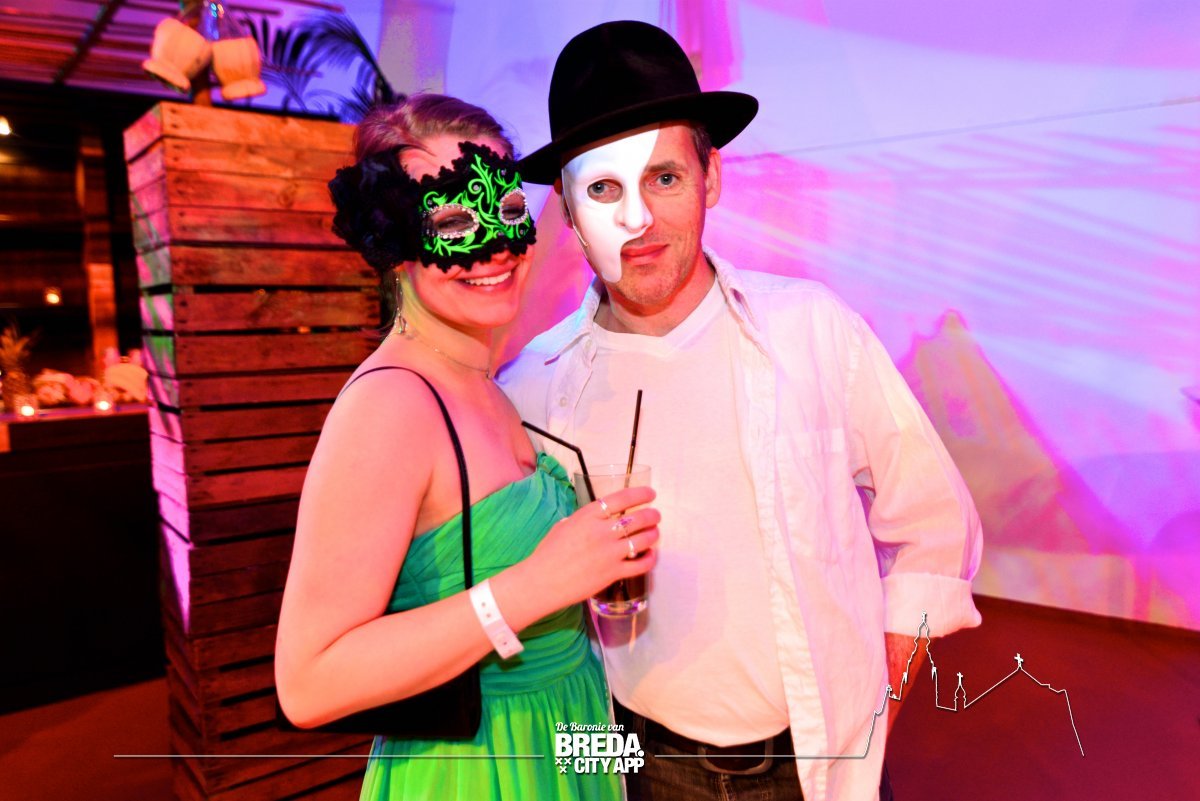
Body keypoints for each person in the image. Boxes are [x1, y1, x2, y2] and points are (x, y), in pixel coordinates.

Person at [498, 21, 984, 801]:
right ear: (569, 207)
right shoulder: (532, 388)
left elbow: (934, 525)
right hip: (640, 768)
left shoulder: (812, 331)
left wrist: (874, 713)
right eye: (604, 190)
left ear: (711, 176)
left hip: (819, 769)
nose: (637, 221)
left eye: (664, 177)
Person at [274, 93, 661, 801]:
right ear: (390, 241)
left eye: (508, 210)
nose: (496, 247)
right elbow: (308, 682)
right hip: (477, 767)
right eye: (453, 222)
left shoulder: (486, 379)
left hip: (563, 738)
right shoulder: (389, 407)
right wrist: (539, 583)